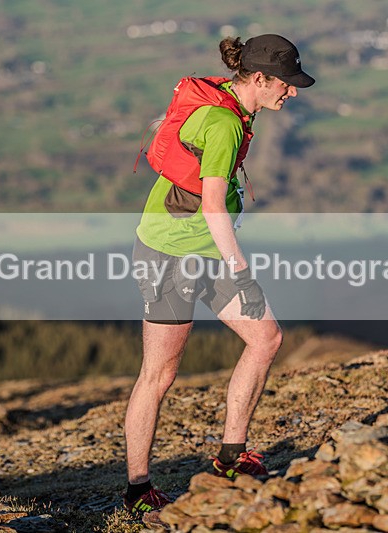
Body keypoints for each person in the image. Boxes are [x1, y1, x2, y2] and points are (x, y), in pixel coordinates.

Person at [123, 34, 315, 515]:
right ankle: (138, 488)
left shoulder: (235, 107)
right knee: (159, 375)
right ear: (258, 78)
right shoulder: (225, 122)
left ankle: (232, 455)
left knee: (266, 338)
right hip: (169, 256)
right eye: (286, 84)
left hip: (206, 251)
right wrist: (244, 275)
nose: (291, 93)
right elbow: (212, 207)